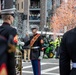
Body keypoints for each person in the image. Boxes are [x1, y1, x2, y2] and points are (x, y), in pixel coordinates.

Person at [0, 8, 18, 75]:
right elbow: (12, 50)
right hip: (6, 64)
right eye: (13, 17)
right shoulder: (12, 30)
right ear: (10, 17)